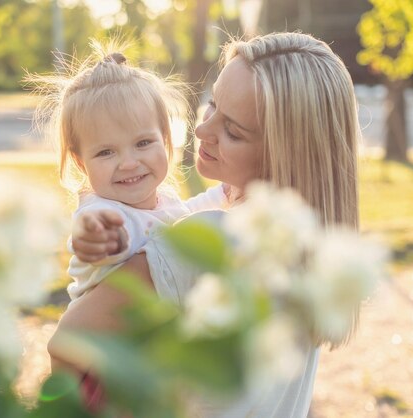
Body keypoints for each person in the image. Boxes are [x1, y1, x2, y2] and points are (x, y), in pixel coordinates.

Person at [48, 31, 361, 417]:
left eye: (232, 130)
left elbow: (66, 346)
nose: (201, 130)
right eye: (212, 105)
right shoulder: (312, 249)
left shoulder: (213, 241)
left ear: (282, 151)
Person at [29, 43, 228, 304]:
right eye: (106, 152)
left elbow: (188, 217)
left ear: (166, 139)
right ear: (80, 163)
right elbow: (111, 238)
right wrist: (99, 238)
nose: (129, 163)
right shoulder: (101, 212)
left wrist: (225, 192)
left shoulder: (164, 200)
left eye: (143, 143)